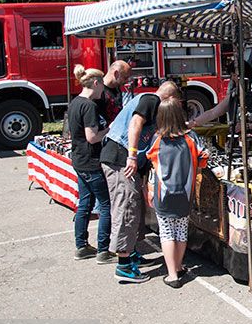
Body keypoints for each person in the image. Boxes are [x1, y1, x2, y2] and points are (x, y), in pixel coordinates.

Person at [101, 80, 181, 283]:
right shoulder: (151, 99)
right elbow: (135, 123)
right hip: (120, 159)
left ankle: (131, 252)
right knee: (126, 207)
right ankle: (124, 265)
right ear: (170, 98)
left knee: (134, 207)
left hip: (127, 161)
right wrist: (132, 156)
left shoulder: (153, 106)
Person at [146, 96, 209, 288]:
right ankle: (179, 266)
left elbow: (150, 161)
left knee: (166, 233)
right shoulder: (192, 138)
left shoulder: (157, 139)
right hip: (185, 193)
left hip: (163, 194)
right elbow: (204, 157)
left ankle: (172, 274)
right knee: (181, 231)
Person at [68, 65, 115, 264]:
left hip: (79, 160)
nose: (103, 90)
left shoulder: (74, 102)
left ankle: (81, 246)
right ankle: (103, 250)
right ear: (95, 83)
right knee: (105, 205)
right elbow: (92, 137)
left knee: (84, 205)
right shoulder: (89, 106)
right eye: (102, 86)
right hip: (91, 162)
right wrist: (109, 129)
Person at [190, 63, 252, 128]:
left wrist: (247, 127)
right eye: (232, 75)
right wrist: (194, 122)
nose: (233, 78)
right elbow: (213, 113)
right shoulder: (234, 94)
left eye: (235, 75)